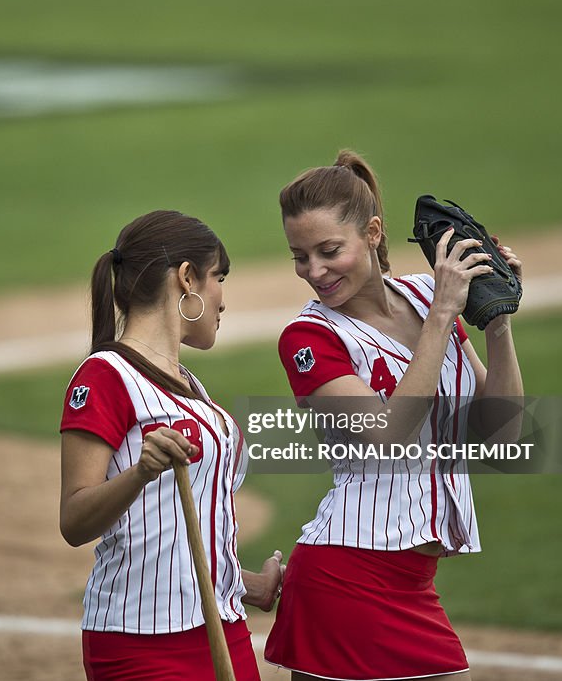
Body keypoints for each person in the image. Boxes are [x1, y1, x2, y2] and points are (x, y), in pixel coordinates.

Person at [263, 151, 524, 681]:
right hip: (348, 575)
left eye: (328, 250)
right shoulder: (309, 338)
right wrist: (445, 316)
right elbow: (386, 436)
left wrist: (495, 320)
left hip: (409, 578)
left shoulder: (428, 295)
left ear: (374, 233)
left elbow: (500, 433)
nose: (314, 271)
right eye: (299, 256)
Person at [59, 210, 284, 680]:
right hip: (140, 641)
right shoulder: (105, 376)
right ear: (186, 279)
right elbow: (75, 521)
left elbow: (175, 539)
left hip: (224, 629)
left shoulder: (191, 385)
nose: (223, 298)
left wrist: (246, 584)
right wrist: (139, 472)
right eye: (219, 277)